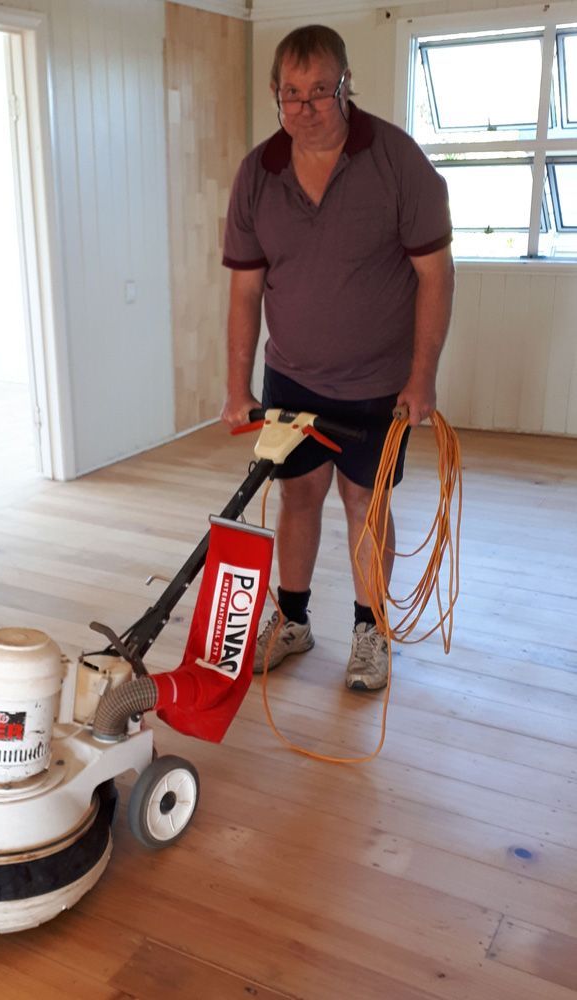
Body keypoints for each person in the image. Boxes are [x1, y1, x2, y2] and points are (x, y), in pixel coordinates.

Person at [221, 25, 454, 690]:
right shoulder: (257, 174)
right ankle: (292, 622)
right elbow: (244, 289)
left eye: (320, 91)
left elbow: (437, 277)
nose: (306, 109)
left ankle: (370, 630)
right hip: (290, 376)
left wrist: (422, 377)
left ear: (346, 86)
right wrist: (238, 385)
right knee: (298, 496)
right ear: (275, 95)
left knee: (364, 503)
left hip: (377, 383)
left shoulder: (396, 161)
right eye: (291, 95)